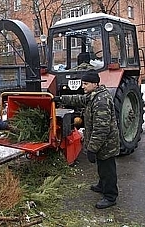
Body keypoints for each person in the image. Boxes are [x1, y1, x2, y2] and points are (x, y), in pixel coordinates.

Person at [53, 71, 119, 209]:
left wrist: (92, 149)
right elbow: (79, 99)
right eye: (83, 83)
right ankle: (102, 185)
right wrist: (60, 99)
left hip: (106, 144)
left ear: (95, 84)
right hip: (102, 143)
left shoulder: (101, 101)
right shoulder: (93, 96)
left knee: (108, 169)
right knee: (102, 166)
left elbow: (101, 129)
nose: (83, 86)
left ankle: (110, 196)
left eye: (86, 84)